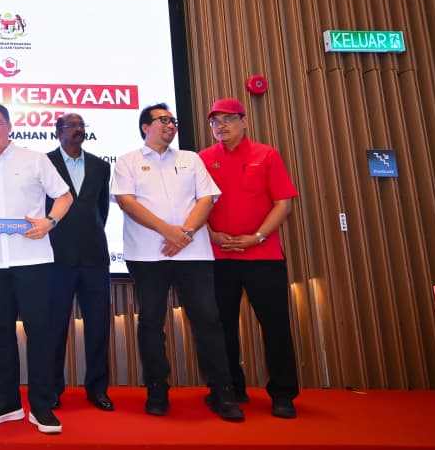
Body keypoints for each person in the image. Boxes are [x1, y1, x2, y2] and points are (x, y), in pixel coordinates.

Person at [110, 103, 244, 421]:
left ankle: (222, 393)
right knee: (151, 323)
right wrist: (168, 231)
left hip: (193, 253)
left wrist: (184, 234)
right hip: (147, 255)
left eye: (173, 120)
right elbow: (126, 202)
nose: (171, 125)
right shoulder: (128, 161)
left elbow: (207, 199)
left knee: (208, 321)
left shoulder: (190, 159)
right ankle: (157, 391)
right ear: (145, 127)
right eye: (163, 120)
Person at [0, 103, 73, 434]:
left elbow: (65, 196)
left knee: (39, 332)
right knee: (1, 333)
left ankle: (41, 407)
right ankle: (8, 402)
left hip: (33, 260)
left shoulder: (35, 159)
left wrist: (49, 222)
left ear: (10, 126)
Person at [199, 98, 300, 419]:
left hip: (263, 255)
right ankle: (230, 389)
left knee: (275, 325)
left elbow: (283, 204)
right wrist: (212, 234)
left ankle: (283, 394)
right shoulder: (203, 159)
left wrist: (257, 237)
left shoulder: (266, 155)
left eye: (227, 119)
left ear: (244, 121)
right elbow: (194, 204)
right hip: (219, 256)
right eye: (215, 122)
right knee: (221, 327)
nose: (221, 126)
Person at [45, 113, 114, 412]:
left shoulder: (100, 166)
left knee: (98, 326)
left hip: (94, 257)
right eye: (72, 126)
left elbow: (101, 210)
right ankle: (52, 389)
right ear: (57, 132)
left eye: (82, 126)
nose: (78, 130)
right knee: (54, 328)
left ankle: (97, 389)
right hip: (56, 258)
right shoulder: (44, 163)